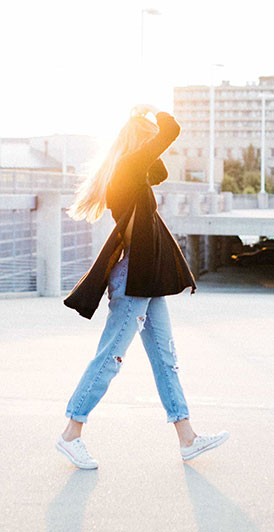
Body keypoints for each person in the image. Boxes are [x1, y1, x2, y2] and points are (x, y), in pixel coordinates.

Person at [56, 104, 228, 469]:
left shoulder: (135, 172)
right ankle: (72, 432)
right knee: (110, 358)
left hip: (146, 281)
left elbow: (160, 171)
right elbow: (172, 129)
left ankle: (187, 439)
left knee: (166, 360)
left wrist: (146, 131)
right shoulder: (127, 169)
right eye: (149, 142)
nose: (156, 148)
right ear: (139, 142)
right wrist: (153, 113)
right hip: (132, 280)